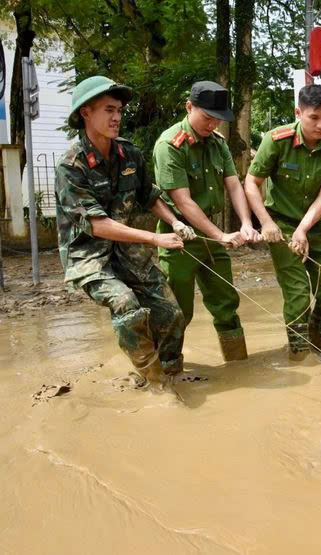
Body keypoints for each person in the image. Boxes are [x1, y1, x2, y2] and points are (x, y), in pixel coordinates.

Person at [55, 76, 186, 388]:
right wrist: (155, 238)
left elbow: (149, 195)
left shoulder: (130, 154)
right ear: (86, 113)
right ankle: (155, 385)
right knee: (126, 303)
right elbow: (98, 225)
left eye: (119, 111)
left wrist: (176, 222)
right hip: (88, 256)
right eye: (108, 110)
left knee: (172, 314)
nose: (116, 118)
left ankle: (173, 374)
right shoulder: (70, 166)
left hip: (128, 252)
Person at [153, 81, 261, 362]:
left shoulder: (218, 144)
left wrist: (246, 223)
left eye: (217, 119)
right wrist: (221, 235)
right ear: (189, 107)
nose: (212, 124)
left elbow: (234, 185)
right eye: (207, 117)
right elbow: (183, 202)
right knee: (178, 311)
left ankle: (238, 366)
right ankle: (166, 372)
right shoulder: (170, 145)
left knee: (227, 305)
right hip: (180, 238)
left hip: (213, 237)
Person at [244, 84, 321, 361]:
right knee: (298, 296)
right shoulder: (276, 140)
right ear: (298, 113)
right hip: (280, 225)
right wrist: (265, 223)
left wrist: (304, 229)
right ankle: (300, 358)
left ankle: (315, 349)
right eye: (314, 118)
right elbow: (251, 183)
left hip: (314, 225)